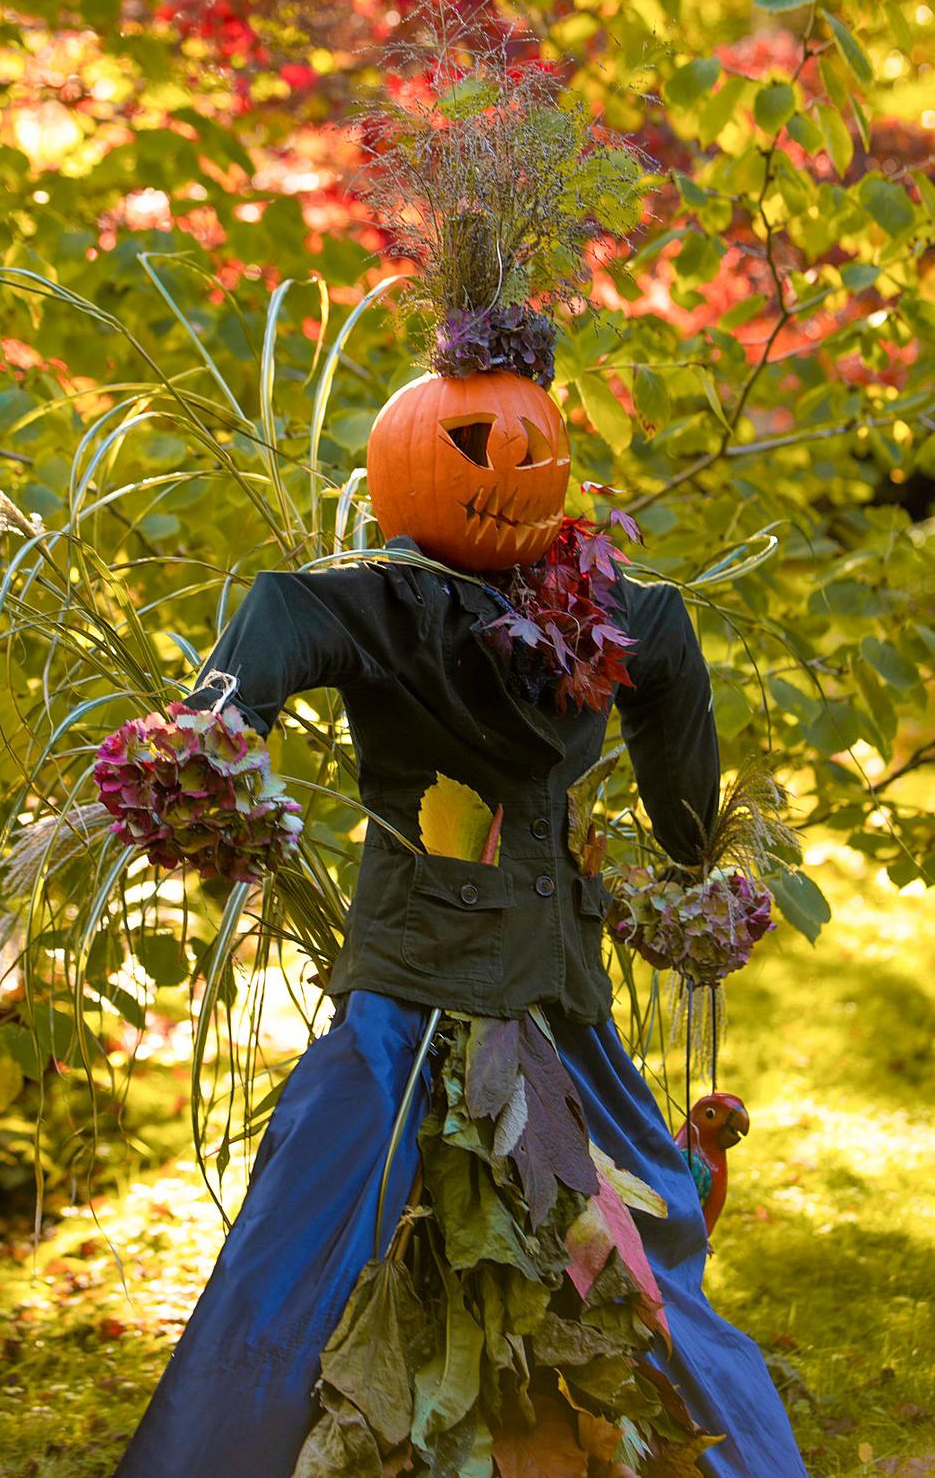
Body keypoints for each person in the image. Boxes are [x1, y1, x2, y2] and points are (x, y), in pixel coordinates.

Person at [113, 540, 809, 1477]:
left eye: (521, 439)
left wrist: (689, 846)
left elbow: (669, 648)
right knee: (329, 1230)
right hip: (411, 983)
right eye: (466, 438)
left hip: (552, 981)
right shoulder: (392, 601)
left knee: (615, 1231)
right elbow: (280, 610)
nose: (495, 470)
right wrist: (213, 732)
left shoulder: (600, 605)